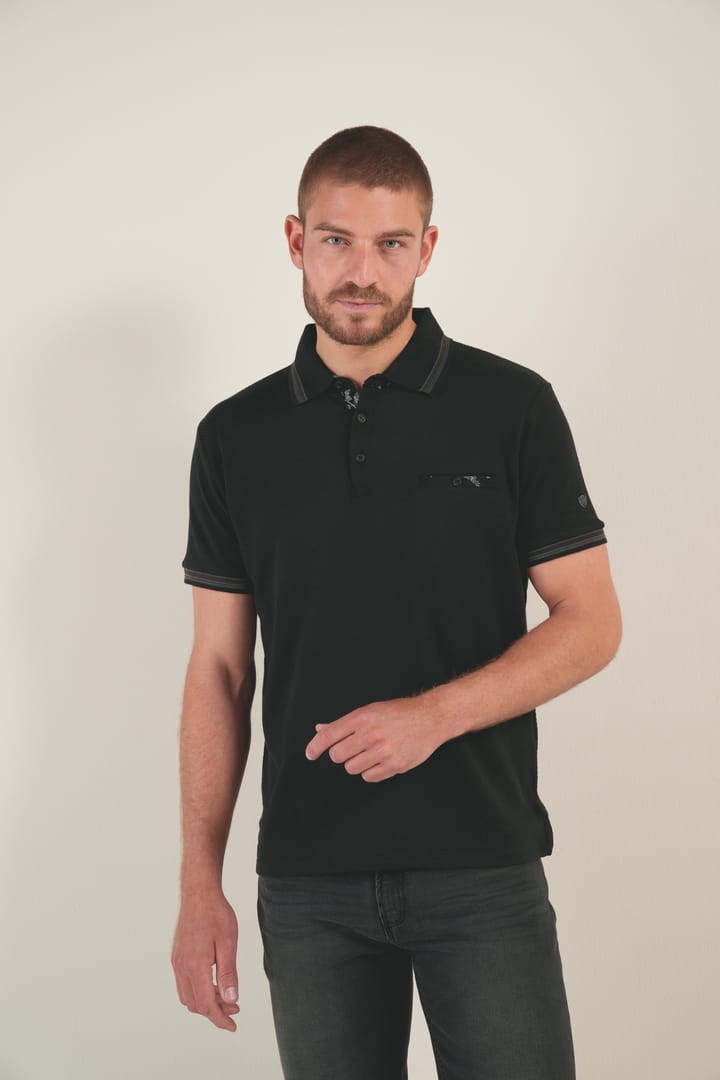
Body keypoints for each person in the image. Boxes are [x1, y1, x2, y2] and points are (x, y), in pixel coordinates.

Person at [171, 124, 622, 1079]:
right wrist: (198, 884)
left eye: (391, 244)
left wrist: (435, 716)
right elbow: (218, 669)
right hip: (307, 885)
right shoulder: (235, 436)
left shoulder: (512, 408)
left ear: (427, 248)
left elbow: (593, 623)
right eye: (337, 240)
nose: (362, 273)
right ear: (296, 241)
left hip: (482, 867)